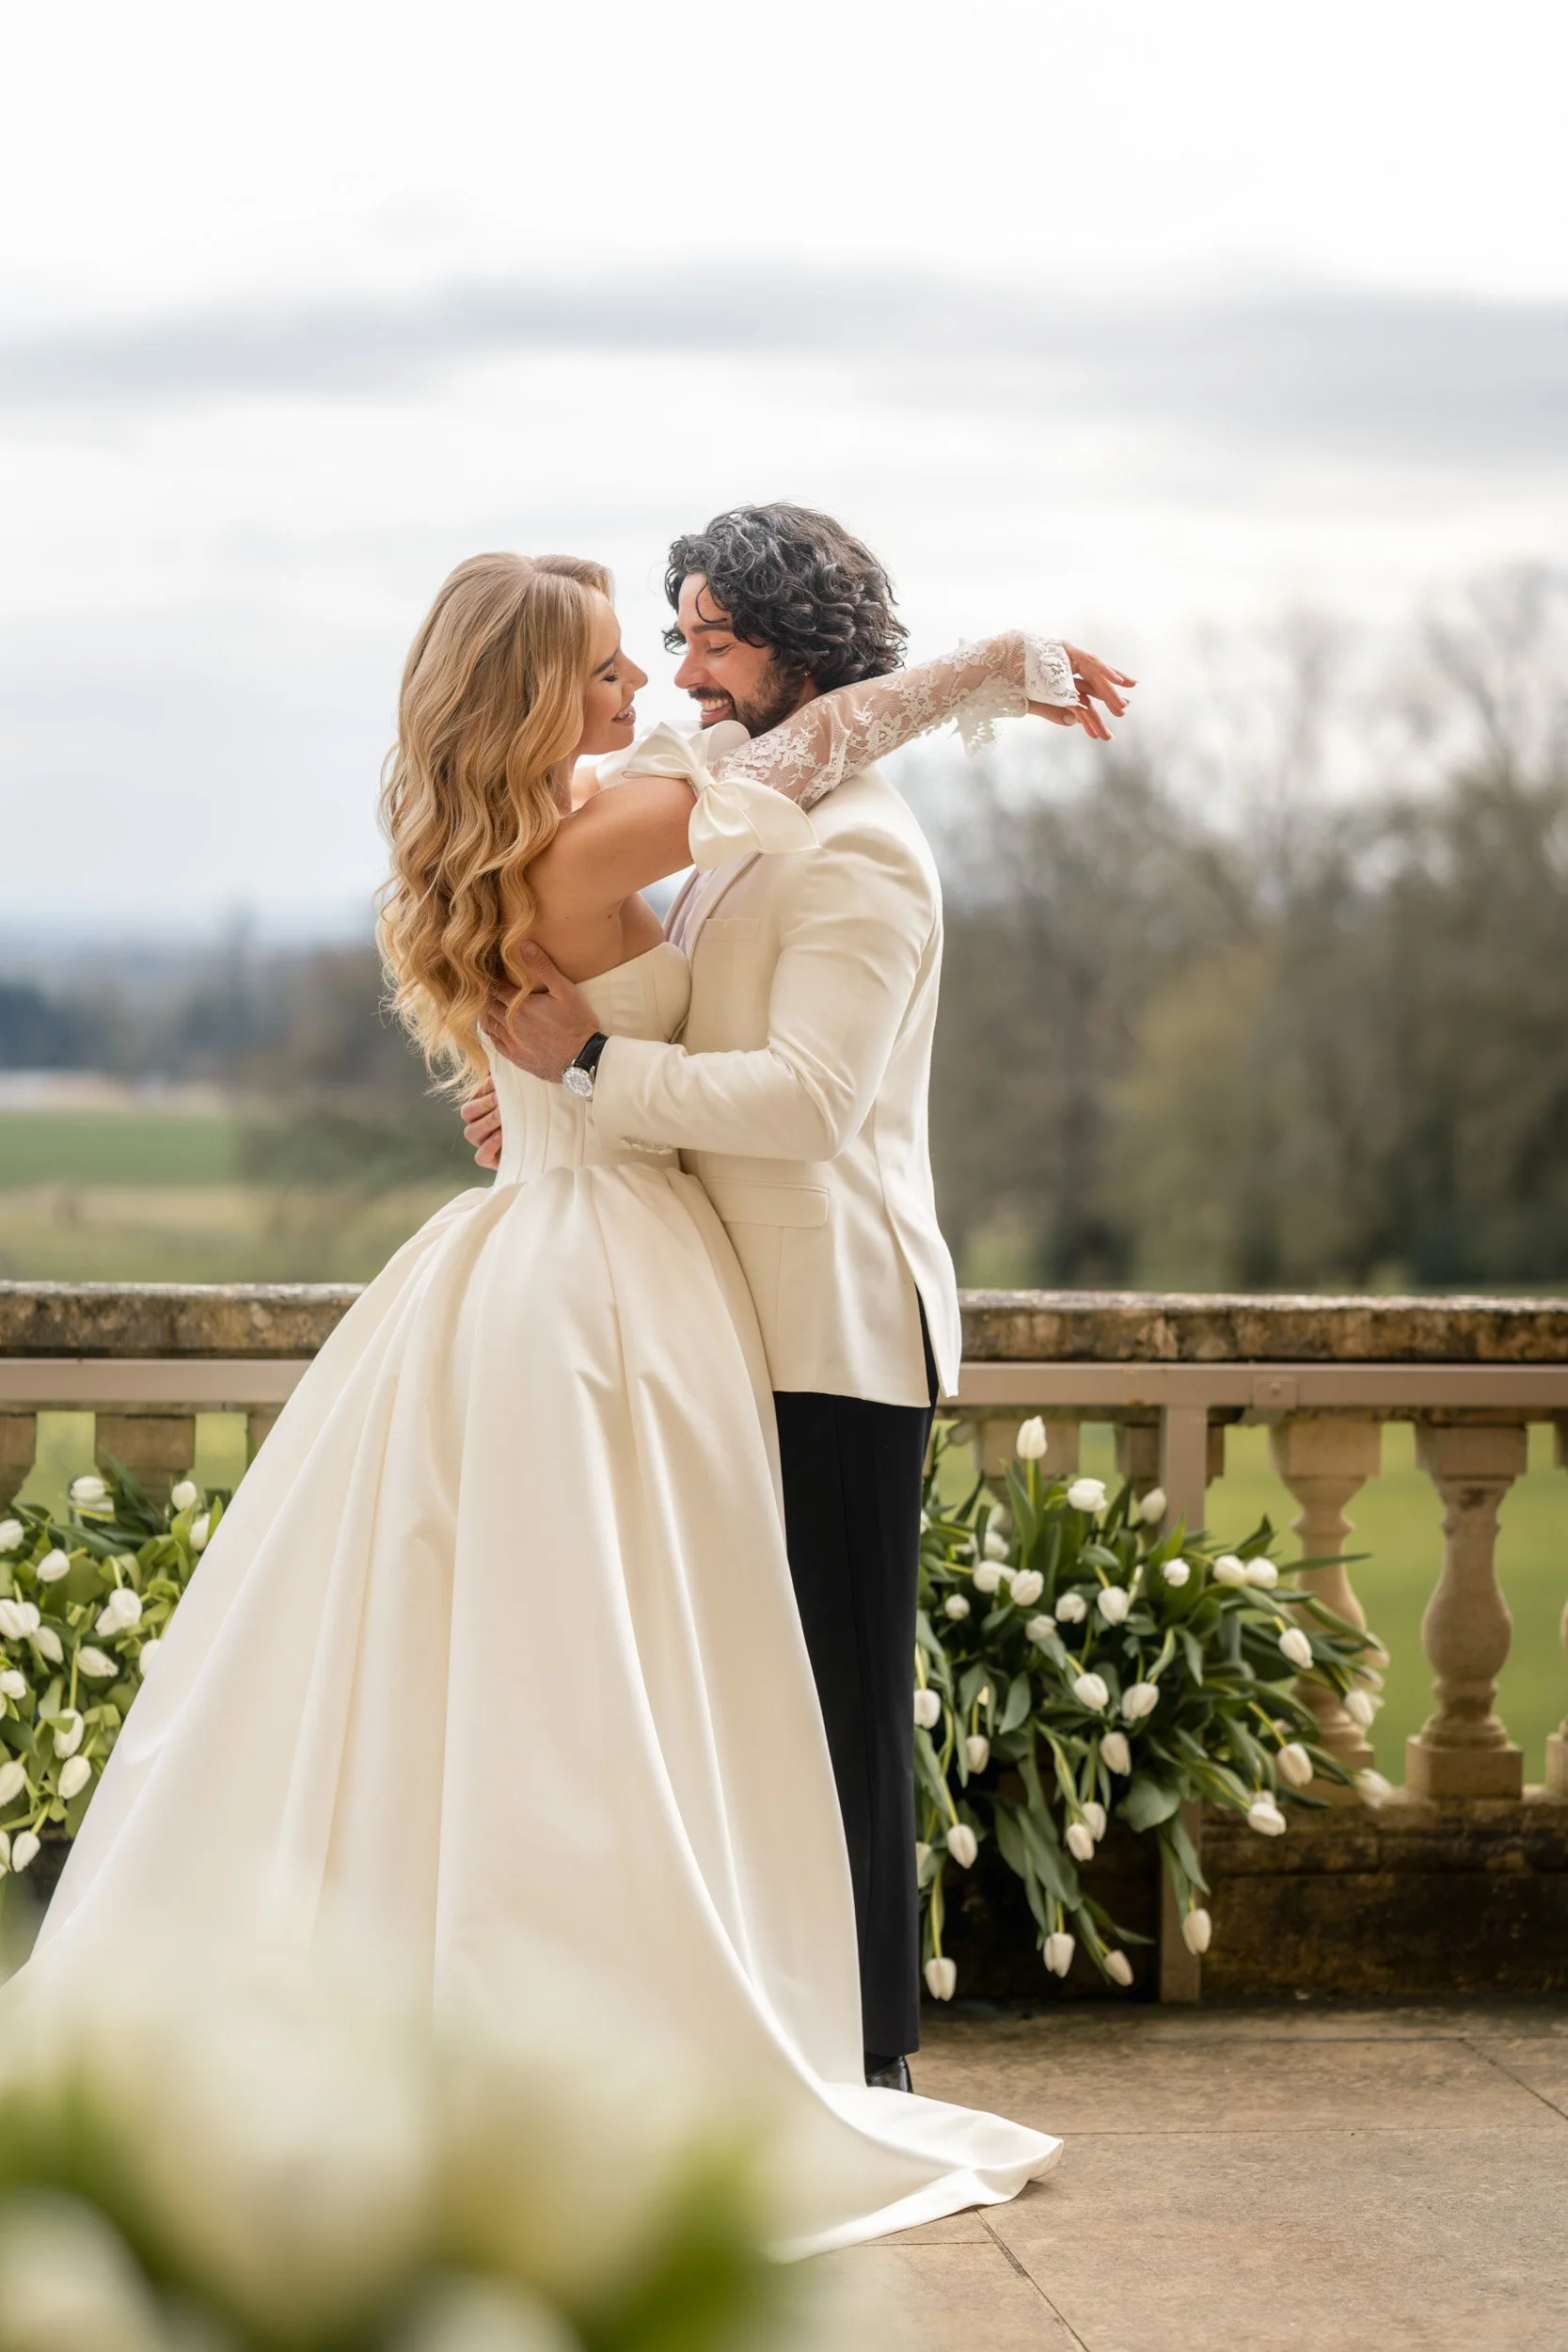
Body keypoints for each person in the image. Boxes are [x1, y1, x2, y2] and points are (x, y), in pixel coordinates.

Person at [22, 542, 1126, 2251]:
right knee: (614, 1666)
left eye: (655, 658)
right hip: (607, 1275)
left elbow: (614, 1002)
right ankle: (634, 2021)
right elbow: (809, 756)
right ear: (530, 691)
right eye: (610, 667)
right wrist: (996, 664)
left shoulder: (505, 835)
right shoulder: (598, 830)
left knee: (573, 1661)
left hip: (573, 1238)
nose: (639, 695)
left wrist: (554, 1089)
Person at [467, 505, 1132, 2087]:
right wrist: (529, 1086)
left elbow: (804, 1102)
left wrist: (594, 1069)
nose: (685, 666)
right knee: (739, 1695)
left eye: (711, 636)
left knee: (840, 1691)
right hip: (704, 1321)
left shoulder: (865, 855)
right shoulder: (740, 812)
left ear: (797, 649)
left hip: (827, 1324)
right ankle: (758, 2018)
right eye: (675, 634)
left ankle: (873, 2056)